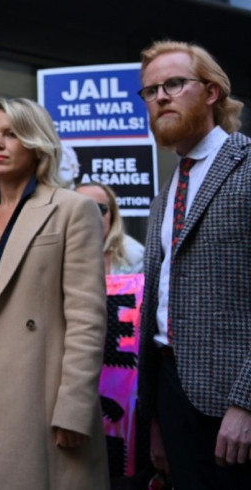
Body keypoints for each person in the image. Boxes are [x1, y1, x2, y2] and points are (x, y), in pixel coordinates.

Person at [0, 97, 109, 490]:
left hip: (41, 398)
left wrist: (74, 408)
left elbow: (87, 319)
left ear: (36, 142)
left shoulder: (72, 209)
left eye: (12, 134)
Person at [136, 40, 251, 489]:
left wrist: (246, 403)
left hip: (232, 407)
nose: (160, 96)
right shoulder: (167, 191)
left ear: (211, 92)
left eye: (174, 83)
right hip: (170, 393)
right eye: (150, 90)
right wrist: (156, 419)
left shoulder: (246, 168)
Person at [75, 181, 144, 274]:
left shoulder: (133, 255)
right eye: (81, 209)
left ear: (112, 215)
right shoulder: (57, 252)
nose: (91, 216)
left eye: (99, 208)